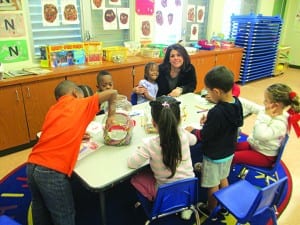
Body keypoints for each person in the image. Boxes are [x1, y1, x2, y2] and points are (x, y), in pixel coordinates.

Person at [26, 80, 117, 225]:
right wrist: (111, 116)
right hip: (52, 170)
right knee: (64, 215)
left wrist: (78, 133)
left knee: (40, 207)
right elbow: (113, 93)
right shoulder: (80, 103)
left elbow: (58, 128)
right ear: (75, 92)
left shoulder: (53, 109)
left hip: (32, 165)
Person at [185, 66, 243, 218]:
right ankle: (225, 205)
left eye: (208, 91)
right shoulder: (237, 102)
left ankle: (211, 209)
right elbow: (233, 123)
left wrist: (193, 131)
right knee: (223, 176)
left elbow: (204, 136)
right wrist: (210, 119)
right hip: (229, 151)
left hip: (214, 155)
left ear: (216, 92)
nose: (208, 94)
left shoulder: (217, 112)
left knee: (212, 184)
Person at [127, 96, 197, 201]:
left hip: (164, 194)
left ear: (153, 123)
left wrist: (140, 149)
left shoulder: (149, 144)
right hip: (188, 190)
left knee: (136, 178)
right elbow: (194, 140)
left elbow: (131, 164)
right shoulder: (183, 133)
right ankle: (185, 209)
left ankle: (154, 200)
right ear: (179, 120)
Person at [233, 83, 300, 167]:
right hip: (256, 146)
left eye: (266, 100)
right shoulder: (274, 112)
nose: (263, 102)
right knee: (228, 147)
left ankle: (223, 178)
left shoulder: (280, 123)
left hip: (264, 156)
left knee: (231, 157)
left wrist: (264, 116)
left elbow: (260, 135)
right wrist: (234, 98)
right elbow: (253, 107)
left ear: (275, 105)